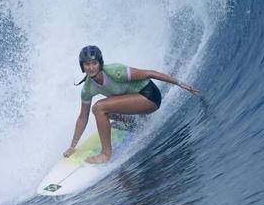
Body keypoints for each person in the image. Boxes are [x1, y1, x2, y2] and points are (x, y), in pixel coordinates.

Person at [64, 45, 200, 164]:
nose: (91, 67)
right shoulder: (88, 88)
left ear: (100, 63)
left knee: (99, 108)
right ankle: (136, 124)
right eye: (87, 64)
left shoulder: (114, 71)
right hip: (136, 101)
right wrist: (72, 146)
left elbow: (149, 73)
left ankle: (105, 154)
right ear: (82, 66)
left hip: (150, 97)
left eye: (94, 63)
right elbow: (83, 117)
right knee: (105, 114)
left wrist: (180, 84)